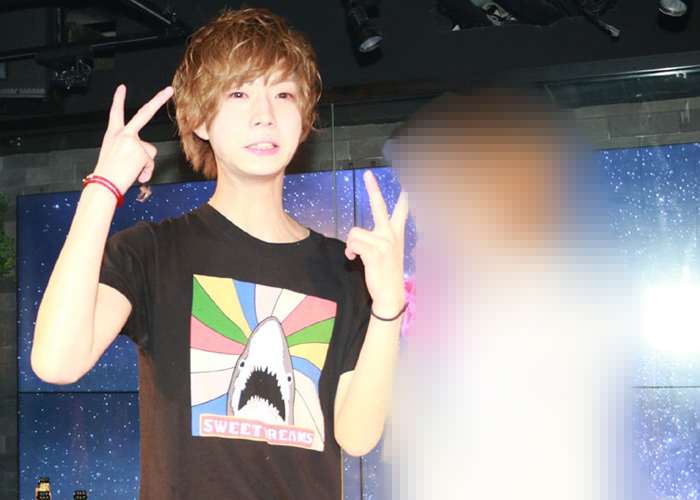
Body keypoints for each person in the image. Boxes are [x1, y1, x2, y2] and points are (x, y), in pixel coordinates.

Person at [31, 8, 408, 500]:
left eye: (283, 94)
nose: (264, 114)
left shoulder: (344, 269)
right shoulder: (152, 252)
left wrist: (388, 307)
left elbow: (357, 436)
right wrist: (102, 188)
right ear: (201, 120)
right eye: (238, 93)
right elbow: (57, 362)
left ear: (304, 118)